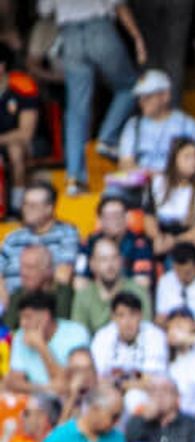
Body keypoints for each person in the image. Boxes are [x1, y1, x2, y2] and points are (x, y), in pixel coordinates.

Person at [53, 0, 146, 193]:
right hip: (99, 28)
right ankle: (108, 137)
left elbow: (45, 10)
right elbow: (119, 4)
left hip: (68, 33)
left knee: (76, 110)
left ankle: (74, 177)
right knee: (131, 86)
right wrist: (137, 37)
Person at [0, 183, 82, 292]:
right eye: (25, 204)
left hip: (46, 302)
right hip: (10, 303)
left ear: (49, 208)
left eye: (33, 206)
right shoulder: (12, 238)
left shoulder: (67, 234)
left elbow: (64, 274)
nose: (26, 210)